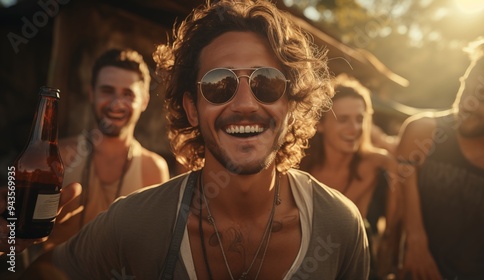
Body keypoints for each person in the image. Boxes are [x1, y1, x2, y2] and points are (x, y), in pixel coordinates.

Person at [2, 0, 370, 279]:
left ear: (291, 103)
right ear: (192, 109)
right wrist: (8, 248)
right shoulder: (136, 223)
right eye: (219, 84)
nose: (244, 103)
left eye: (268, 83)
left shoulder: (339, 226)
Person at [42, 48, 170, 250]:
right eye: (107, 91)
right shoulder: (59, 156)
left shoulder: (153, 169)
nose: (116, 103)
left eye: (128, 94)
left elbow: (153, 247)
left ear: (144, 101)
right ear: (92, 94)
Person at [397, 37, 484, 280]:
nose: (465, 103)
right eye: (465, 87)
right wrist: (411, 245)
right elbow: (399, 201)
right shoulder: (424, 132)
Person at [300, 74, 401, 279]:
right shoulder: (301, 167)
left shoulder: (379, 164)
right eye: (343, 119)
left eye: (360, 119)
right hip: (306, 261)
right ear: (320, 124)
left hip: (357, 262)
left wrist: (388, 246)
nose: (354, 129)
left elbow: (392, 228)